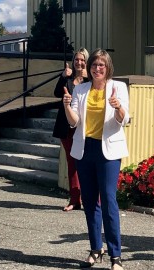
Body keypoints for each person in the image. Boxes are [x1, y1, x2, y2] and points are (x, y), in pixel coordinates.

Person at [63, 49, 128, 270]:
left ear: (107, 67)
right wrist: (66, 104)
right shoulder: (80, 89)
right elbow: (74, 122)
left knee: (109, 200)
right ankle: (95, 248)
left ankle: (116, 255)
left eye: (101, 65)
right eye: (94, 65)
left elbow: (124, 120)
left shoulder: (118, 87)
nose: (97, 68)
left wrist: (118, 106)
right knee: (90, 202)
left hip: (108, 151)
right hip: (85, 150)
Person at [53, 48, 89, 211]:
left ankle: (89, 198)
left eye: (82, 60)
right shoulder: (68, 78)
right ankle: (75, 199)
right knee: (72, 162)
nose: (79, 63)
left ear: (87, 62)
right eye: (77, 60)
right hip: (66, 126)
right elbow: (56, 94)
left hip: (84, 127)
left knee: (87, 162)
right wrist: (62, 77)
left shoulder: (90, 80)